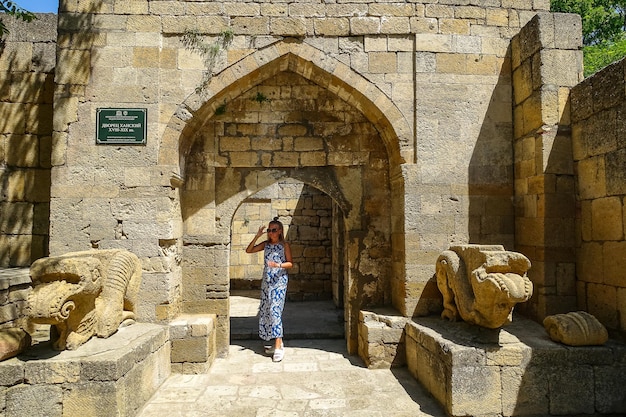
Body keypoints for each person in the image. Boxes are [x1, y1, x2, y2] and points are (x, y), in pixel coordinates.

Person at [245, 217, 293, 362]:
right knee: (266, 311)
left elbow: (290, 263)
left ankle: (279, 344)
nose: (271, 232)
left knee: (275, 310)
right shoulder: (266, 245)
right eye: (269, 230)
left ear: (279, 231)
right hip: (267, 282)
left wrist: (278, 265)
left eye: (274, 230)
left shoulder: (284, 245)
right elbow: (249, 250)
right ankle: (276, 342)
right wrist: (257, 236)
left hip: (279, 281)